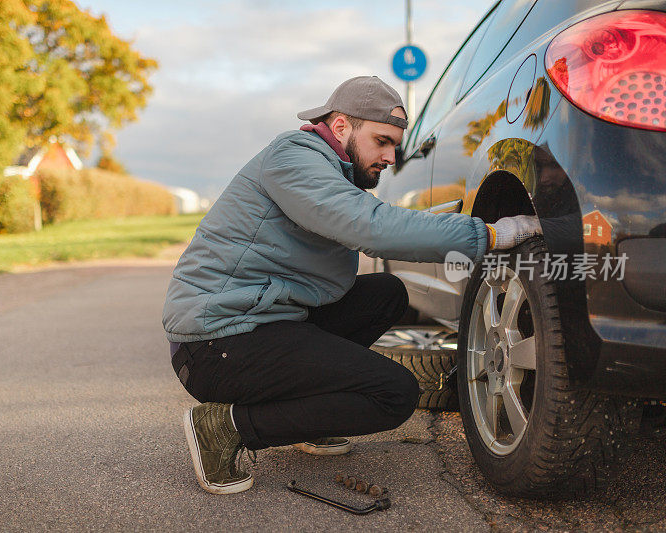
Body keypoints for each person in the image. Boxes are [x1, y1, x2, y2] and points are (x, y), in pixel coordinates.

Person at [162, 76, 542, 494]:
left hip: (265, 318)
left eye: (395, 144)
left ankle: (312, 417)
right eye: (381, 141)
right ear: (341, 127)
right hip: (217, 342)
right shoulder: (292, 157)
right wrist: (489, 235)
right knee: (394, 394)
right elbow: (371, 227)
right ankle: (224, 427)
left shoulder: (333, 171)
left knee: (387, 294)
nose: (391, 156)